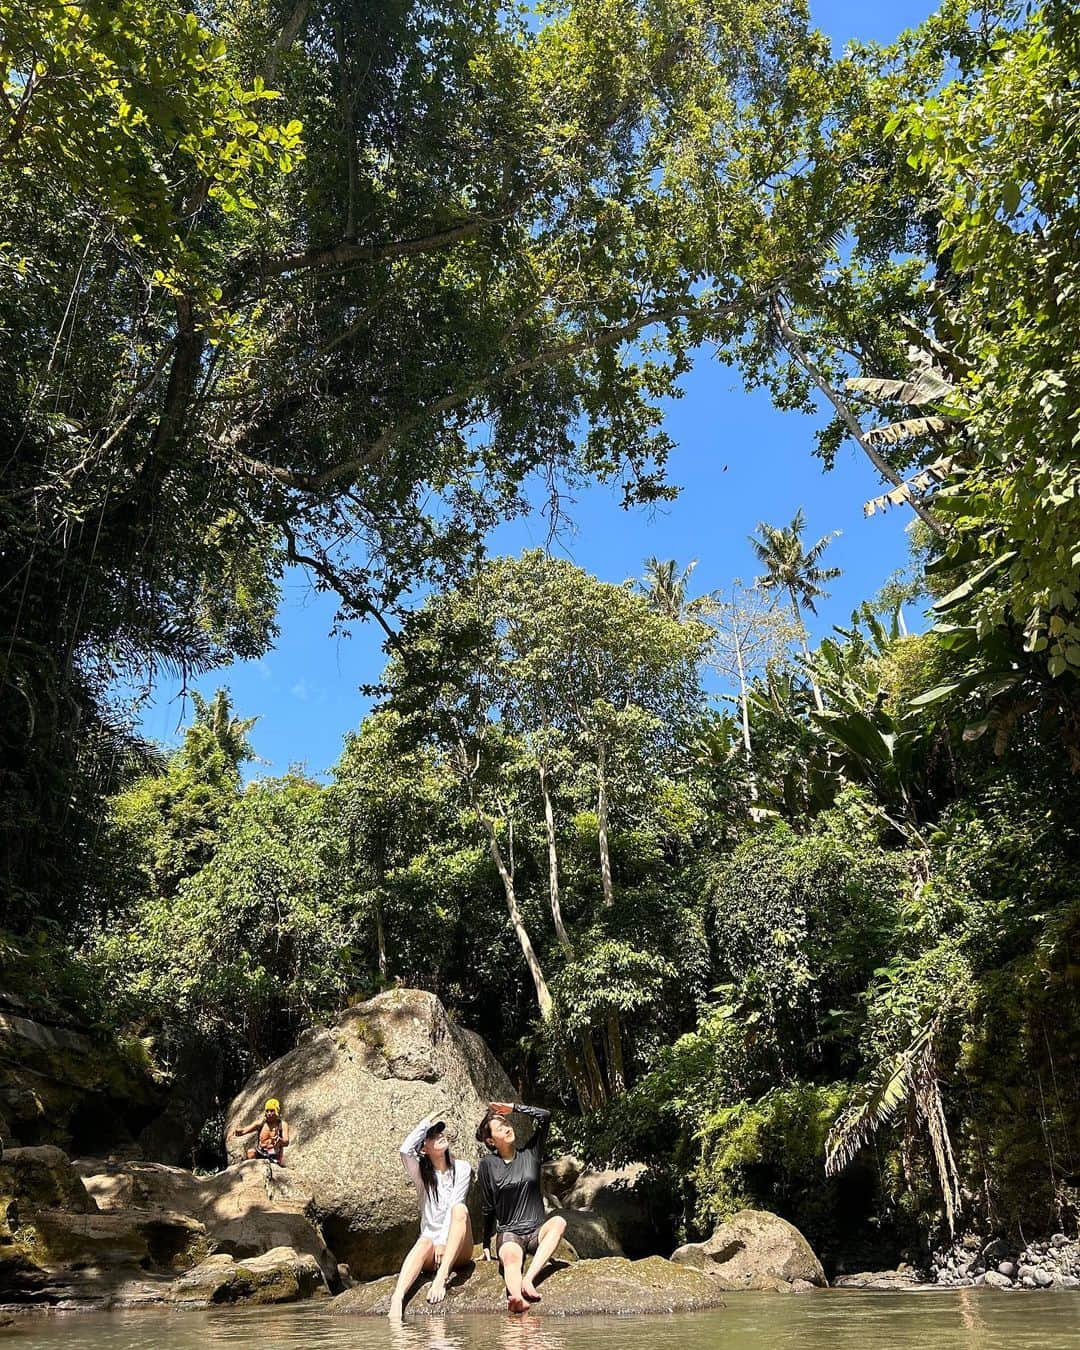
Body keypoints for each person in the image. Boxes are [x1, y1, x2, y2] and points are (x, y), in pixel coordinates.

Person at [476, 1100, 567, 1313]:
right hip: (510, 1232)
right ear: (491, 1140)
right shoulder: (488, 1165)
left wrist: (514, 1108)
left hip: (536, 1230)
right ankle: (516, 1298)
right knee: (510, 1257)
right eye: (501, 1128)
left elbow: (545, 1115)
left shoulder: (531, 1153)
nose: (508, 1128)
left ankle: (529, 1280)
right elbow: (488, 1206)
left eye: (507, 1123)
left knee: (559, 1222)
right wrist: (485, 1245)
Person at [388, 1115, 474, 1318]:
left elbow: (455, 1204)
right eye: (432, 1136)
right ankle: (397, 1298)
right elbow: (405, 1150)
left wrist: (444, 1243)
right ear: (424, 1149)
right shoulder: (421, 1174)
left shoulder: (462, 1168)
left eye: (440, 1132)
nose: (440, 1136)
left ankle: (440, 1278)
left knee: (460, 1210)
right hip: (431, 1248)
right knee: (424, 1241)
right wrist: (425, 1123)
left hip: (459, 1247)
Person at [231, 1098, 289, 1165]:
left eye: (272, 1111)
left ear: (277, 1112)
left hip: (274, 1155)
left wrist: (280, 1140)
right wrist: (237, 1132)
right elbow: (244, 1131)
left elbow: (286, 1142)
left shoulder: (282, 1125)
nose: (269, 1113)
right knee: (251, 1152)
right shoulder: (261, 1123)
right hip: (260, 1152)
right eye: (267, 1111)